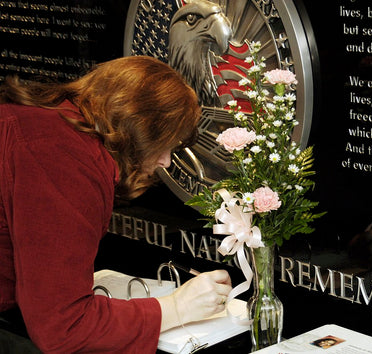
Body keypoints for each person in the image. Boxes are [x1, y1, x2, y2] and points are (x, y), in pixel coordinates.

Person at [0, 56, 232, 353]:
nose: (165, 161)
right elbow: (63, 327)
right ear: (140, 129)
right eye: (165, 144)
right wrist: (175, 308)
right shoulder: (64, 159)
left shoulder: (53, 124)